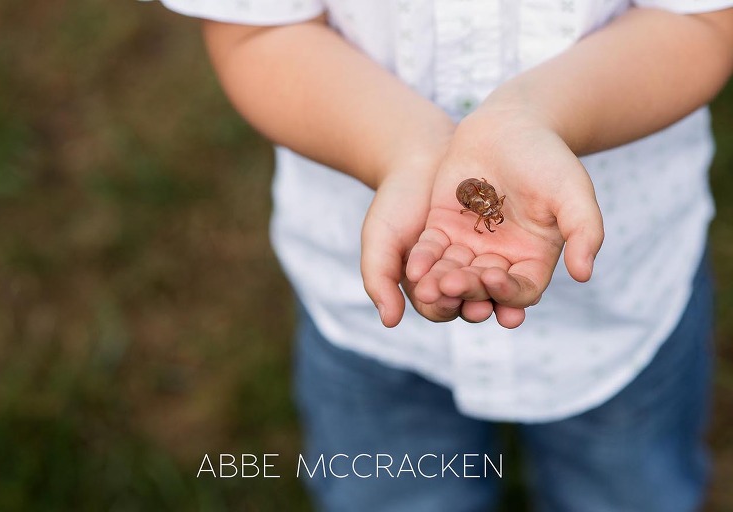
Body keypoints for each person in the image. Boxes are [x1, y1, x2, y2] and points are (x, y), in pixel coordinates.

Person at [159, 1, 733, 510]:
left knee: (629, 489)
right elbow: (258, 32)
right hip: (364, 319)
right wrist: (403, 148)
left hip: (621, 315)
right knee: (392, 488)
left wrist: (534, 117)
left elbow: (704, 19)